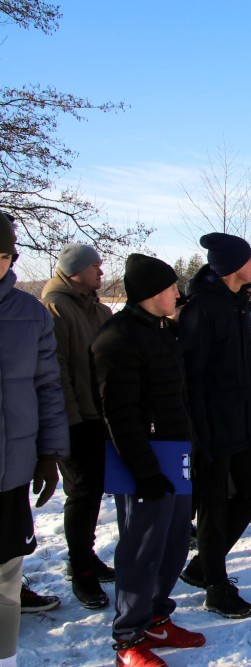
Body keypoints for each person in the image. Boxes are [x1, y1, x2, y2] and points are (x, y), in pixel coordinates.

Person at [91, 253, 207, 666]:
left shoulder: (162, 331)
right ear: (151, 292)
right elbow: (118, 414)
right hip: (144, 459)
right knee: (141, 550)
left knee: (173, 544)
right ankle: (128, 638)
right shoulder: (117, 337)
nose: (178, 293)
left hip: (175, 451)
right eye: (172, 287)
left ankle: (156, 617)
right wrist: (144, 470)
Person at [177, 232, 251, 619]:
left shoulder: (237, 304)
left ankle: (203, 565)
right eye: (249, 258)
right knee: (213, 507)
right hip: (213, 426)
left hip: (243, 420)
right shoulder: (202, 308)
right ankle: (215, 585)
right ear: (232, 266)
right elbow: (191, 377)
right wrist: (200, 433)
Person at [0, 212, 68, 666]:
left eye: (2, 255)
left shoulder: (30, 313)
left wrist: (49, 453)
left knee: (6, 572)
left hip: (12, 467)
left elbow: (48, 386)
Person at [41, 242, 114, 609]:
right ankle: (80, 569)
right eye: (94, 266)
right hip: (75, 420)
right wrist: (70, 421)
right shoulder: (55, 307)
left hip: (101, 416)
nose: (101, 271)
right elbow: (55, 370)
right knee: (82, 493)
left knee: (94, 490)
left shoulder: (99, 309)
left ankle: (87, 554)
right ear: (74, 271)